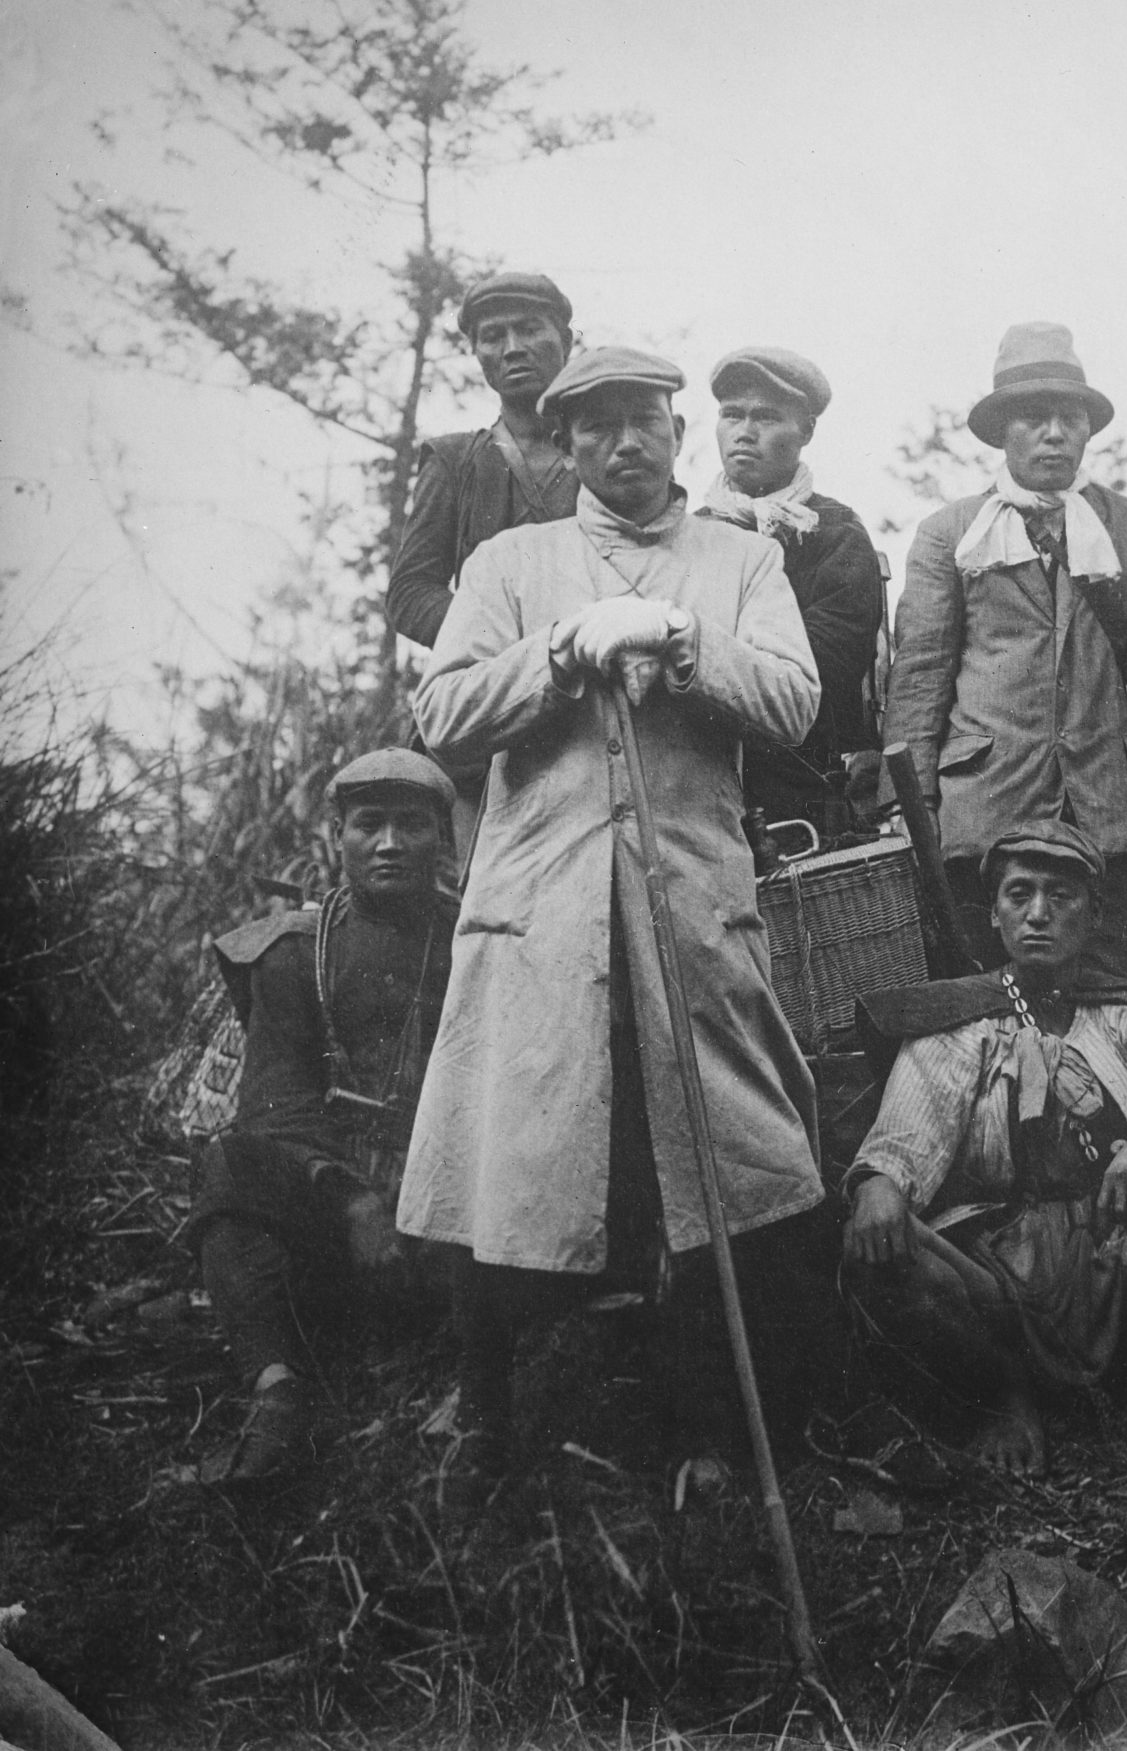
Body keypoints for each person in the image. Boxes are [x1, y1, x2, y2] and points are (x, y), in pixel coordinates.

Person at [404, 345, 830, 1494]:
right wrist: (559, 650)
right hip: (541, 913)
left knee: (722, 1164)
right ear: (567, 443)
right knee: (514, 1154)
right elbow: (442, 714)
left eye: (643, 420)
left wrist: (682, 643)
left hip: (688, 907)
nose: (622, 444)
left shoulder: (740, 559)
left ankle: (721, 1433)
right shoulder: (509, 561)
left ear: (677, 431)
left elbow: (794, 701)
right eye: (594, 428)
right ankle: (490, 1416)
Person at [840, 821, 1127, 1488]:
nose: (1039, 913)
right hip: (994, 1280)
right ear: (994, 913)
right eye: (1019, 894)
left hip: (1123, 1256)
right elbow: (899, 1146)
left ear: (1096, 914)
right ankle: (1005, 1396)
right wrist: (879, 1187)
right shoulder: (958, 1024)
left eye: (1062, 895)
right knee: (872, 1235)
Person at [885, 322, 1127, 975]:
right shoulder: (952, 534)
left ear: (1087, 429)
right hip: (986, 802)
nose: (1054, 432)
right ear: (1002, 431)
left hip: (1098, 800)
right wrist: (910, 806)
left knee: (1116, 988)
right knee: (979, 993)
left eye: (1069, 416)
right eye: (1033, 417)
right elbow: (920, 676)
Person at [186, 750, 459, 1486]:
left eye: (413, 825)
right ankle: (278, 1392)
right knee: (229, 1164)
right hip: (339, 1219)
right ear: (337, 834)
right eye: (370, 824)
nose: (391, 844)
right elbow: (275, 1113)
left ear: (445, 836)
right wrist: (352, 1197)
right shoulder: (293, 953)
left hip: (451, 1212)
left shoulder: (478, 944)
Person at [697, 347, 888, 835]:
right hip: (694, 785)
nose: (745, 430)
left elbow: (823, 669)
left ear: (805, 431)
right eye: (731, 414)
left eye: (766, 416)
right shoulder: (687, 534)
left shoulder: (835, 533)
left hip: (801, 792)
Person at [385, 271, 579, 651]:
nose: (512, 349)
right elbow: (410, 592)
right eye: (492, 337)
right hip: (491, 685)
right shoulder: (454, 462)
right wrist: (499, 640)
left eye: (529, 329)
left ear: (566, 341)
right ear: (477, 353)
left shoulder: (607, 452)